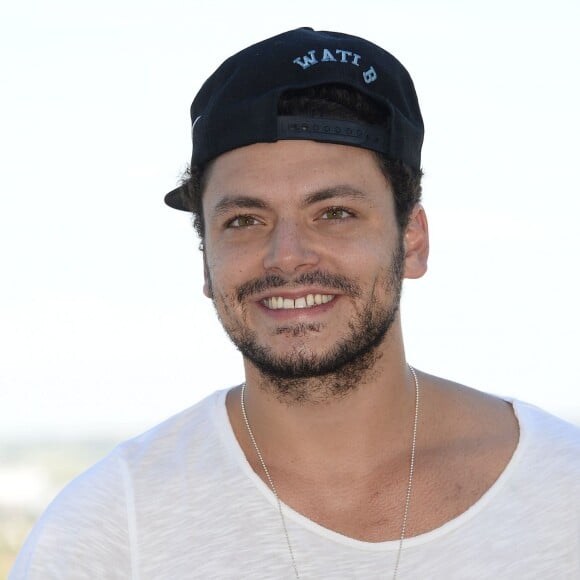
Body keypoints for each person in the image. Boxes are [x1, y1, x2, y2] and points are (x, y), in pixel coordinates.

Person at [10, 27, 580, 579]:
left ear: (413, 240)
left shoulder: (563, 494)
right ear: (205, 258)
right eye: (245, 220)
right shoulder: (109, 530)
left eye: (334, 213)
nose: (286, 256)